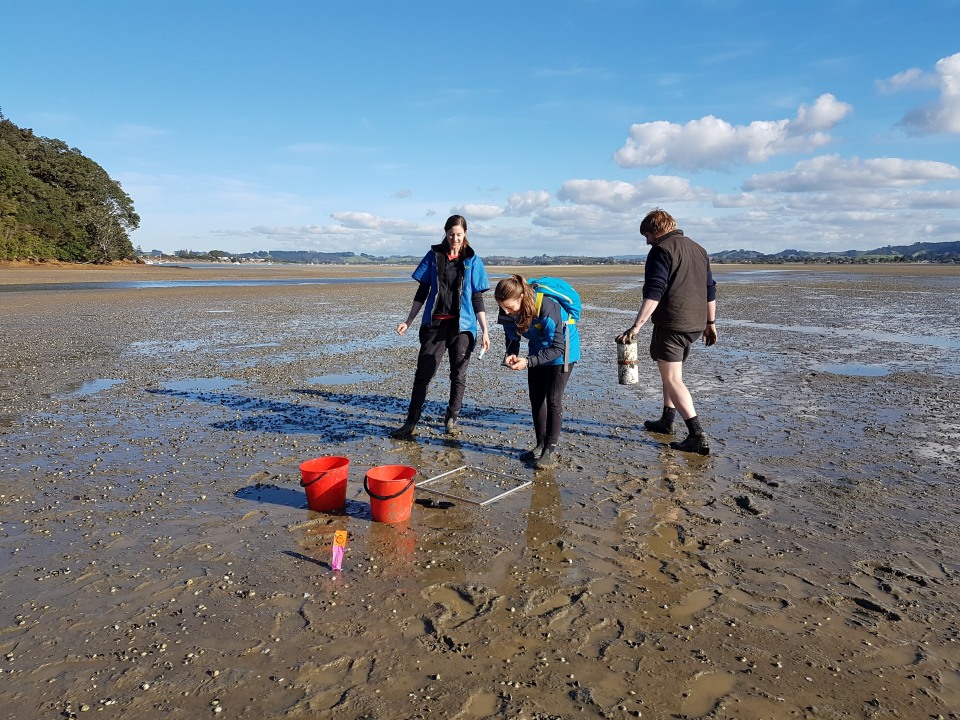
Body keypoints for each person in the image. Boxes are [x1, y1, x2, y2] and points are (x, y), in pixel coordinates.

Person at [617, 208, 717, 455]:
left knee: (673, 379)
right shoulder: (699, 249)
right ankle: (666, 421)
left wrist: (636, 326)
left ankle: (696, 434)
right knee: (671, 373)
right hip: (694, 323)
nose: (647, 241)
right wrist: (710, 323)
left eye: (647, 235)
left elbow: (655, 290)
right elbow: (710, 289)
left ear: (658, 230)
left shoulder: (661, 251)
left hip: (673, 323)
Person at [391, 215, 491, 439]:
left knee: (458, 375)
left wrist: (485, 330)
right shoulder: (434, 256)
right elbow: (422, 291)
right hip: (435, 325)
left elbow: (477, 298)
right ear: (445, 233)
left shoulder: (473, 260)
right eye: (451, 234)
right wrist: (408, 321)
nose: (455, 238)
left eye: (459, 234)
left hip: (462, 327)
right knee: (423, 374)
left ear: (465, 234)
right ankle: (411, 422)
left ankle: (451, 420)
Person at [495, 274, 581, 469]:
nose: (506, 312)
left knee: (553, 399)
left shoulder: (547, 305)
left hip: (563, 353)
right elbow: (511, 334)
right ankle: (540, 444)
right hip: (537, 350)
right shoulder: (507, 308)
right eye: (502, 307)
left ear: (521, 298)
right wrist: (512, 353)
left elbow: (557, 347)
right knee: (536, 398)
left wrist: (528, 362)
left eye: (509, 307)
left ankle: (549, 451)